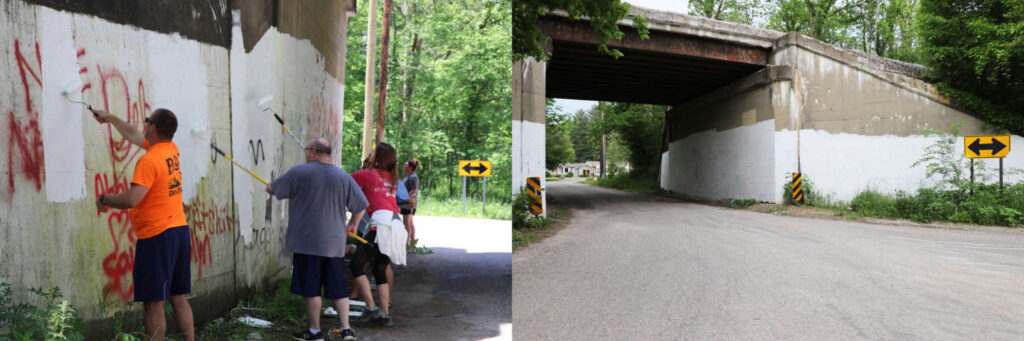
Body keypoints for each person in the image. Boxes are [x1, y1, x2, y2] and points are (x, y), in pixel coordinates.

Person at [92, 108, 195, 341]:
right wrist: (110, 117)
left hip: (157, 236)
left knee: (153, 302)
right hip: (179, 231)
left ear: (154, 128)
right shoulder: (169, 149)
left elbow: (132, 199)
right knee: (178, 296)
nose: (144, 125)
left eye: (147, 121)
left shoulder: (148, 161)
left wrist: (104, 199)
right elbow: (133, 134)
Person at [266, 137, 367, 341]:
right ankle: (346, 329)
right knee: (338, 288)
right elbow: (361, 204)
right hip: (334, 245)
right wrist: (353, 225)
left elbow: (271, 189)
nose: (305, 153)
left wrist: (292, 189)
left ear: (313, 152)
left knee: (311, 289)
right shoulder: (343, 176)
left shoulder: (298, 172)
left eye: (306, 150)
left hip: (307, 243)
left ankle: (314, 332)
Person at [349, 143, 407, 327]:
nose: (370, 154)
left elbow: (342, 181)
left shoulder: (367, 174)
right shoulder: (393, 177)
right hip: (396, 225)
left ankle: (372, 308)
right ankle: (384, 314)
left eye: (373, 152)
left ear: (379, 157)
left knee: (356, 265)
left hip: (380, 226)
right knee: (379, 269)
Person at [400, 159, 420, 246]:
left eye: (406, 165)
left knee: (406, 223)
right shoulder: (408, 176)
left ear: (411, 167)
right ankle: (412, 243)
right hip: (408, 202)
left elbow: (414, 190)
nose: (404, 166)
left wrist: (405, 197)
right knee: (410, 223)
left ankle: (407, 243)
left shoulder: (412, 177)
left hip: (409, 203)